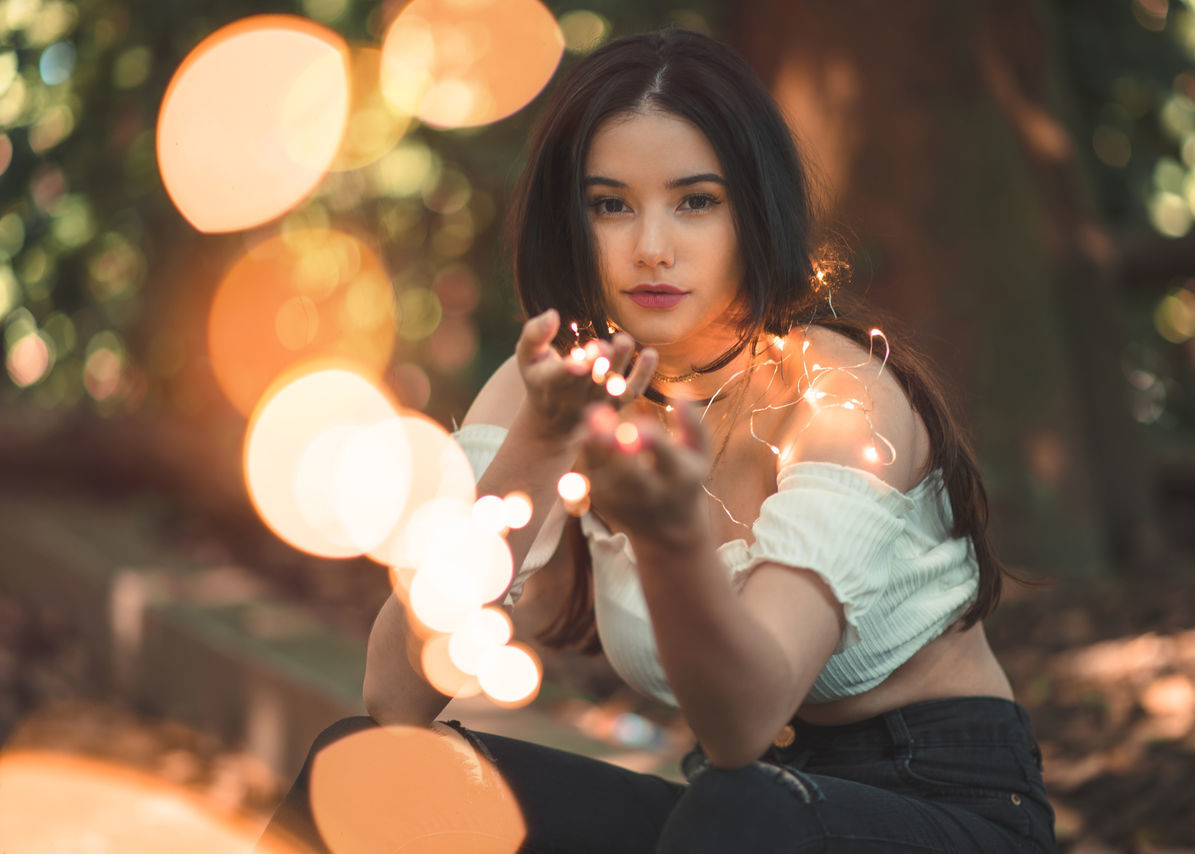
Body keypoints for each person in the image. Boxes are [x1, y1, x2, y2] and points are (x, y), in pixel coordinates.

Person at [262, 28, 1056, 854]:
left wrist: (672, 534)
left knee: (742, 805)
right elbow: (394, 695)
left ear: (754, 211)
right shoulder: (554, 387)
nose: (651, 247)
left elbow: (744, 723)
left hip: (941, 808)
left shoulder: (839, 402)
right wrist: (538, 443)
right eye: (611, 205)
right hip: (734, 813)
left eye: (695, 201)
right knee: (362, 769)